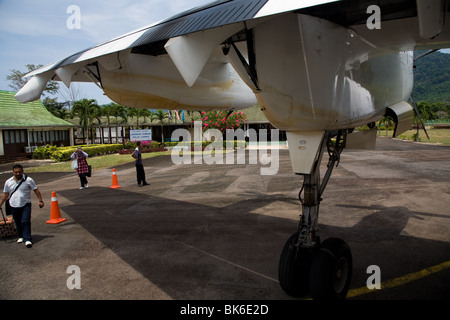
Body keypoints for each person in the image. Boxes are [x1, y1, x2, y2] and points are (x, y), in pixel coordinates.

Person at [0, 164, 44, 248]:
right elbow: (5, 194)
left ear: (22, 171)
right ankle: (21, 236)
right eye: (16, 172)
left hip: (25, 204)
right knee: (17, 221)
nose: (17, 174)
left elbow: (36, 190)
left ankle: (27, 239)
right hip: (13, 204)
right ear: (13, 172)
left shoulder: (28, 180)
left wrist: (40, 200)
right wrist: (0, 204)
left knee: (25, 221)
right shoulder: (8, 182)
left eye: (19, 172)